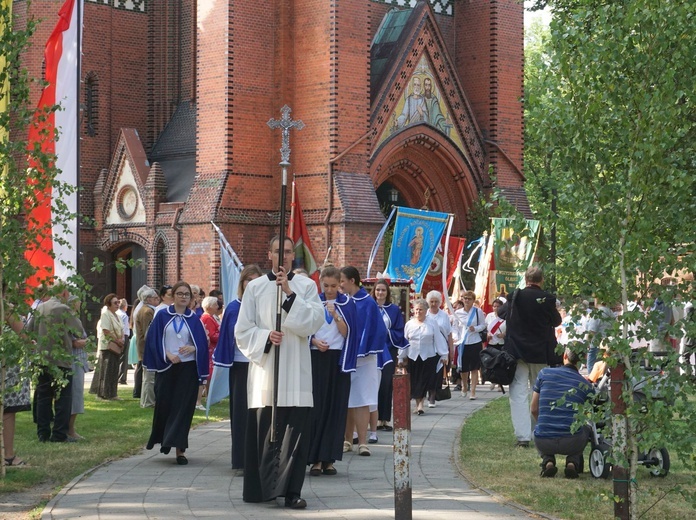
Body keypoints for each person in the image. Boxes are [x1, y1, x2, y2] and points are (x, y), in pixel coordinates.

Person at [235, 236, 324, 509]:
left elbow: (314, 321)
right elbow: (242, 331)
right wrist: (264, 336)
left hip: (296, 374)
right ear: (269, 254)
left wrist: (289, 294)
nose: (283, 256)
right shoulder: (256, 288)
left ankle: (292, 492)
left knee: (295, 437)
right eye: (278, 251)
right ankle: (262, 489)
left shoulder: (306, 287)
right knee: (265, 433)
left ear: (292, 256)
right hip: (267, 373)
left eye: (288, 252)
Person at [144, 281, 209, 465]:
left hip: (187, 369)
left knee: (183, 409)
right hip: (167, 367)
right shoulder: (162, 315)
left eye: (186, 294)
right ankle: (165, 440)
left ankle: (180, 450)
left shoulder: (194, 318)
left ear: (191, 298)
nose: (183, 297)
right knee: (165, 405)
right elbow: (154, 340)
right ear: (173, 296)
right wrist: (168, 354)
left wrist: (192, 347)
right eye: (179, 294)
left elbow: (201, 344)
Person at [498, 266, 562, 447]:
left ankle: (523, 437)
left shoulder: (515, 296)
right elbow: (556, 321)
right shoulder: (547, 299)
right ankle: (538, 431)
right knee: (540, 393)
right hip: (541, 352)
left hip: (517, 352)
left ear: (525, 279)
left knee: (518, 394)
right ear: (541, 280)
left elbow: (501, 313)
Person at [308, 266, 359, 476]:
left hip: (338, 359)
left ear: (340, 284)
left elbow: (348, 332)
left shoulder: (346, 304)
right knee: (317, 407)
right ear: (320, 283)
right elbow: (303, 329)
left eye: (333, 286)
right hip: (316, 356)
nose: (329, 290)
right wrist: (313, 340)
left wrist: (336, 315)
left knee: (335, 408)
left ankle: (329, 458)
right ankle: (315, 459)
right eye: (326, 286)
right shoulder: (312, 302)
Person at [213, 264, 263, 470]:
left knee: (260, 412)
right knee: (241, 412)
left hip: (261, 365)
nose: (251, 283)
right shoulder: (234, 307)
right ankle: (241, 459)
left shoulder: (267, 306)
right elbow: (227, 337)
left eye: (255, 280)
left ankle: (260, 457)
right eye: (247, 280)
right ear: (242, 283)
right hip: (241, 366)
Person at [25, 281, 84, 443]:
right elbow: (78, 330)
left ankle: (42, 433)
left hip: (42, 358)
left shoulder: (39, 308)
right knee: (63, 399)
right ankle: (59, 434)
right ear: (64, 293)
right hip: (61, 359)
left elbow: (29, 330)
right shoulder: (63, 309)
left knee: (43, 397)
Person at [340, 266, 387, 457]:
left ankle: (362, 441)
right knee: (347, 399)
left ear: (352, 280)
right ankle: (347, 439)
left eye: (342, 280)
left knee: (363, 399)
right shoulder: (342, 301)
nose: (340, 284)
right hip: (345, 357)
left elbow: (375, 328)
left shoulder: (367, 302)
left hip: (365, 358)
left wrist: (364, 347)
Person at [531, 348, 593, 479]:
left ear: (564, 355)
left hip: (543, 440)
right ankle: (572, 462)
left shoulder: (544, 374)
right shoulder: (585, 385)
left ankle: (548, 461)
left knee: (540, 429)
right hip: (572, 441)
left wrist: (544, 424)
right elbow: (589, 414)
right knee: (586, 427)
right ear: (582, 359)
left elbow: (534, 409)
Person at [399, 299, 449, 415]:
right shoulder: (409, 324)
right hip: (413, 356)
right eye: (416, 309)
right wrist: (401, 357)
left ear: (426, 311)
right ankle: (418, 405)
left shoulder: (432, 323)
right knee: (415, 381)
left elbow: (438, 339)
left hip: (428, 356)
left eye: (421, 310)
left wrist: (444, 354)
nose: (418, 312)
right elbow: (404, 341)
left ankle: (420, 405)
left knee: (424, 381)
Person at [373, 279, 407, 433]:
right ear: (374, 291)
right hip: (372, 351)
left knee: (386, 384)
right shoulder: (369, 307)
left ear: (387, 293)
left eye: (383, 290)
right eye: (378, 290)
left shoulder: (393, 310)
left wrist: (385, 331)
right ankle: (371, 420)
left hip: (388, 350)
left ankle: (384, 419)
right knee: (373, 384)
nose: (380, 293)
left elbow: (399, 330)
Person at [2, 291, 32, 465]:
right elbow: (24, 335)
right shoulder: (7, 309)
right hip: (8, 367)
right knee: (7, 410)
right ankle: (8, 455)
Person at [143, 284, 174, 407]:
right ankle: (148, 401)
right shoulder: (161, 310)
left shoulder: (167, 308)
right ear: (162, 296)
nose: (172, 297)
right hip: (159, 345)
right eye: (169, 295)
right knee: (151, 375)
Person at [454, 290, 486, 400]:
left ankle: (473, 391)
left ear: (473, 300)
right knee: (463, 367)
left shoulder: (478, 311)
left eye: (469, 299)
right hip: (462, 343)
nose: (467, 300)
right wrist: (456, 338)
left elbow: (483, 325)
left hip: (475, 341)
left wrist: (475, 328)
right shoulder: (458, 313)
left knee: (474, 367)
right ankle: (464, 386)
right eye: (465, 298)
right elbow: (455, 328)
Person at [425, 290, 452, 407]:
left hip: (441, 348)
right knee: (428, 372)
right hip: (428, 347)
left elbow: (449, 334)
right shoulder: (425, 314)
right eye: (431, 301)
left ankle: (433, 395)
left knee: (438, 373)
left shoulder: (444, 316)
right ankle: (428, 392)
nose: (434, 304)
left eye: (436, 301)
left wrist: (451, 351)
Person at [67, 295, 88, 441]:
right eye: (78, 300)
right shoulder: (69, 318)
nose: (80, 303)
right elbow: (75, 341)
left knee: (76, 393)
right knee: (75, 393)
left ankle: (69, 428)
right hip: (74, 360)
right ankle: (70, 429)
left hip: (78, 359)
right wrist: (84, 341)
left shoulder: (74, 318)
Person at [96, 294, 124, 400]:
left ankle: (113, 393)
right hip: (108, 346)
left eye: (118, 302)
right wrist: (117, 340)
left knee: (114, 370)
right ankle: (104, 394)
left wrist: (121, 339)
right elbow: (106, 331)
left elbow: (121, 329)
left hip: (117, 345)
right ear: (108, 304)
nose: (117, 305)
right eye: (115, 303)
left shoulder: (118, 316)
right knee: (107, 370)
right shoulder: (106, 314)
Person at [135, 288, 160, 406]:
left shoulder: (145, 310)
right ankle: (148, 401)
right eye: (155, 298)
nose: (158, 300)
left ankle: (145, 401)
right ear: (148, 299)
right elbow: (148, 332)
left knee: (148, 376)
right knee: (149, 376)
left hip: (145, 347)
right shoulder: (147, 312)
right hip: (146, 347)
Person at [197, 296, 221, 410]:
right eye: (215, 304)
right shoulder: (207, 318)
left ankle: (210, 395)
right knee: (209, 374)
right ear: (210, 306)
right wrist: (223, 336)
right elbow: (211, 335)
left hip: (212, 349)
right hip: (210, 349)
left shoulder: (211, 317)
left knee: (210, 374)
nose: (218, 306)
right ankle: (209, 396)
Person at [585, 299, 614, 375]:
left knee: (593, 370)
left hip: (596, 345)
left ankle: (592, 384)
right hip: (608, 344)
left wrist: (586, 343)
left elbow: (592, 330)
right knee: (604, 368)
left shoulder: (597, 313)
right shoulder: (611, 313)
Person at [485, 298, 507, 392]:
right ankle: (493, 380)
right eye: (494, 306)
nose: (496, 308)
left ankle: (499, 383)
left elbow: (510, 328)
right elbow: (485, 328)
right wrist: (487, 334)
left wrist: (504, 335)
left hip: (501, 343)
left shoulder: (505, 317)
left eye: (498, 306)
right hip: (492, 342)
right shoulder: (489, 316)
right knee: (492, 362)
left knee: (501, 363)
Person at [116, 298, 131, 385]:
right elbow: (124, 328)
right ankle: (122, 378)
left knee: (118, 357)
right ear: (125, 306)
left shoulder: (116, 314)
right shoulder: (124, 315)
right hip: (124, 336)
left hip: (117, 336)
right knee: (124, 358)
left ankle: (116, 376)